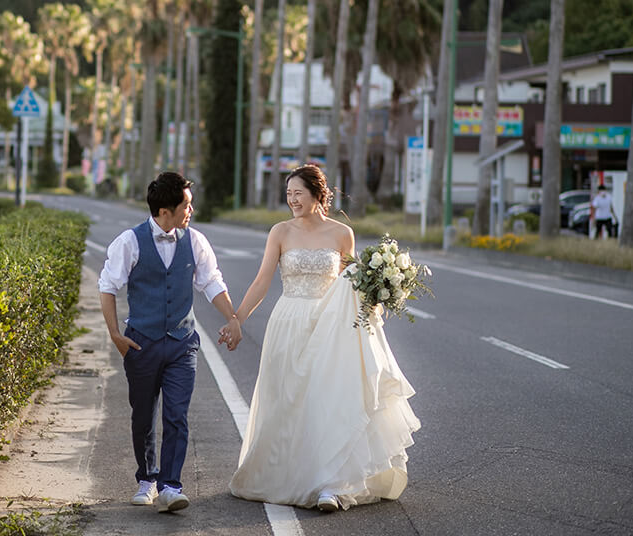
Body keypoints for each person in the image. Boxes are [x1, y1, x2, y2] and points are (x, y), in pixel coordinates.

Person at [220, 164, 420, 513]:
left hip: (330, 326)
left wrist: (380, 292)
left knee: (327, 400)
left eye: (298, 193)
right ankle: (291, 474)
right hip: (289, 322)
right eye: (288, 194)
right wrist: (237, 318)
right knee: (289, 400)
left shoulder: (342, 233)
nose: (292, 200)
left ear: (317, 195)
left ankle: (331, 484)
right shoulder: (280, 232)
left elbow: (352, 285)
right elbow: (263, 281)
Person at [99, 170, 242, 513]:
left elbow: (211, 283)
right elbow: (108, 287)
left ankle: (171, 485)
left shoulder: (196, 241)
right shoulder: (129, 242)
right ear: (165, 211)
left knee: (177, 415)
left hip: (182, 343)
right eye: (186, 205)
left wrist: (233, 319)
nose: (190, 211)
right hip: (141, 343)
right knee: (143, 416)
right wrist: (116, 335)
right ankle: (147, 479)